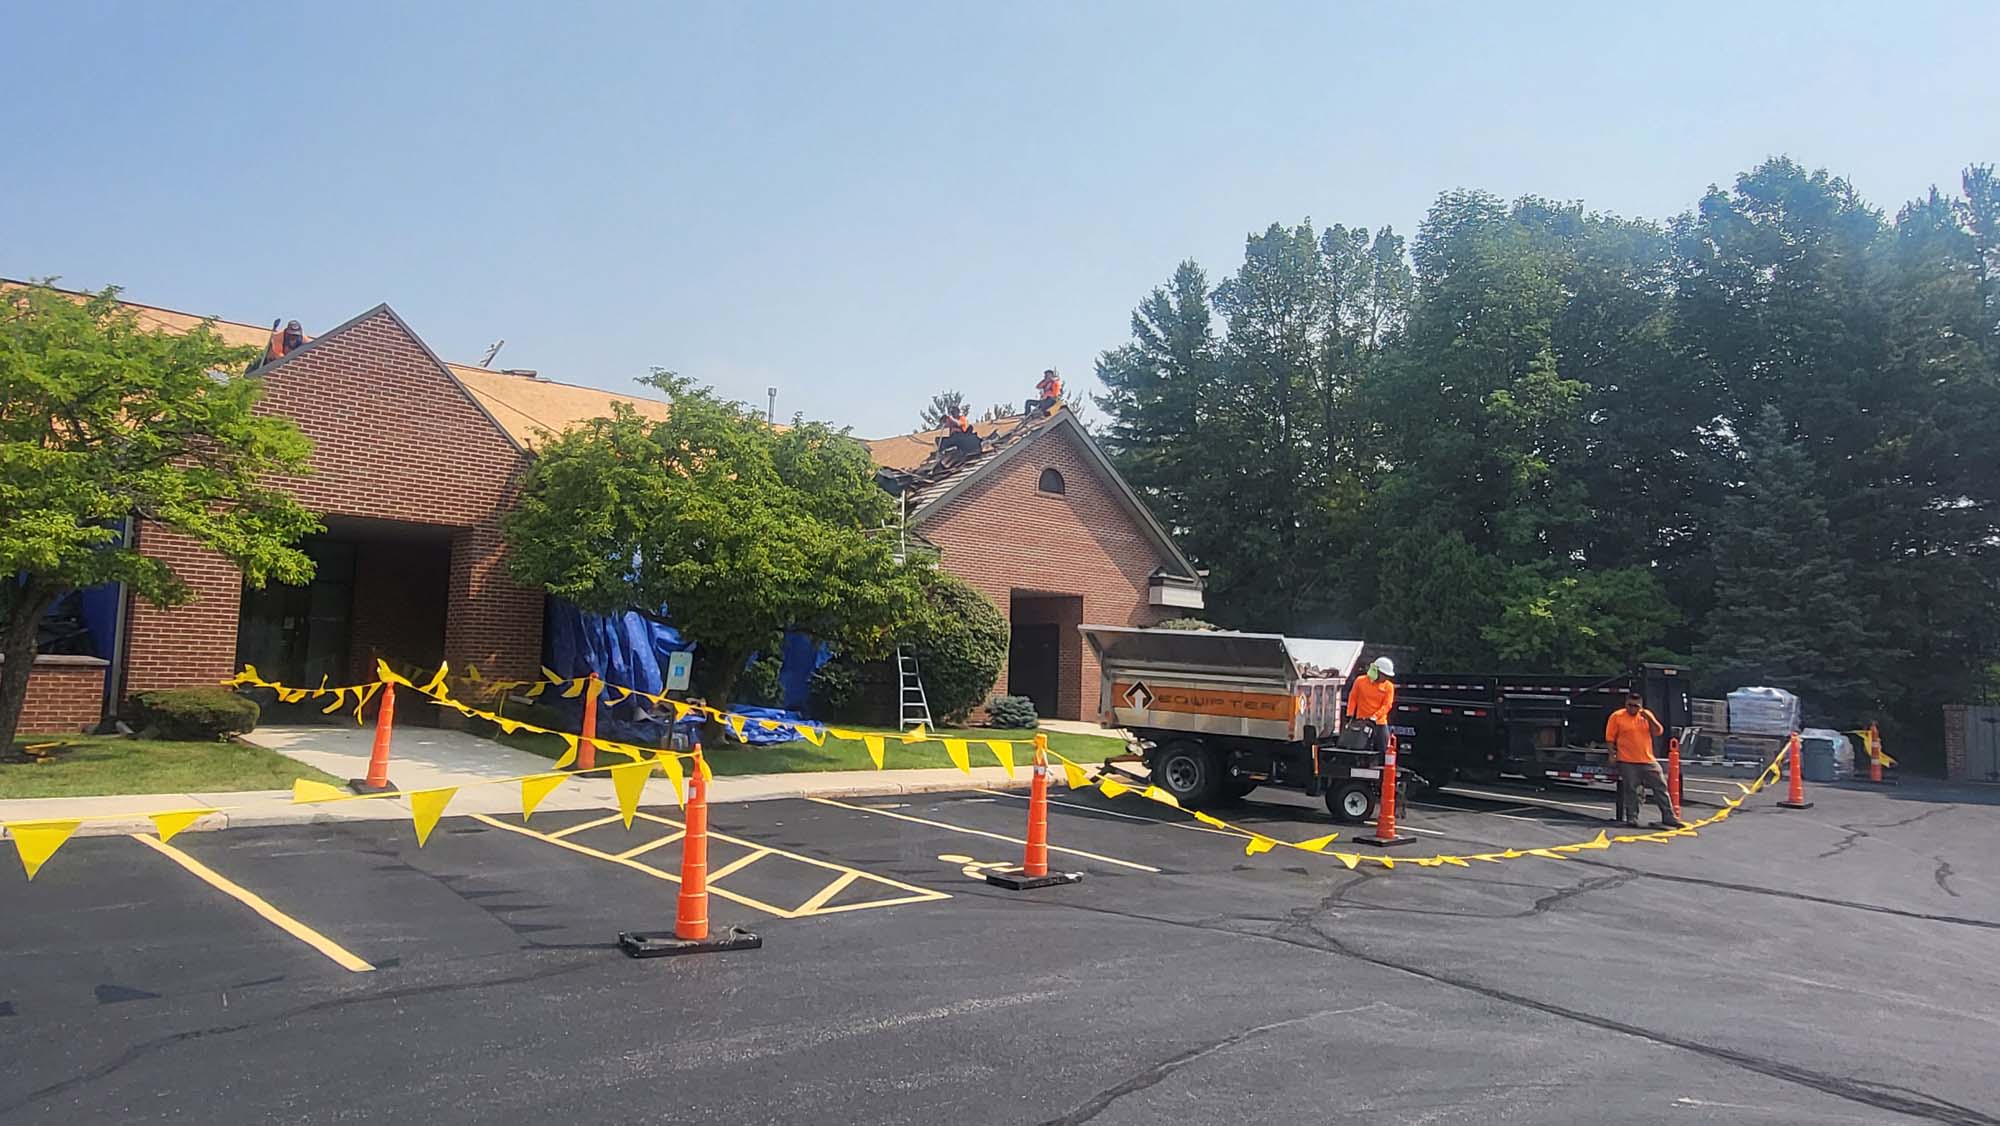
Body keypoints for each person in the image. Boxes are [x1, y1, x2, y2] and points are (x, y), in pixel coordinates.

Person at [1605, 690, 1684, 828]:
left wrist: (1650, 718)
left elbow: (1658, 731)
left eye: (1636, 706)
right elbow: (1610, 738)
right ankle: (1632, 818)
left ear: (1641, 706)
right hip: (1627, 760)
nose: (1633, 708)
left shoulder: (1645, 716)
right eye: (1630, 705)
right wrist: (1612, 754)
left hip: (1647, 759)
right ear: (1626, 704)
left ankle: (1669, 816)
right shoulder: (1617, 716)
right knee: (1631, 789)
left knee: (1660, 786)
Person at [1344, 657, 1397, 752]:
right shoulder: (1360, 681)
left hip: (1379, 723)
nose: (1385, 678)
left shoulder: (1389, 686)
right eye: (1384, 675)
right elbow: (1353, 698)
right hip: (1361, 722)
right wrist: (1350, 714)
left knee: (1383, 749)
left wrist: (1375, 716)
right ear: (1376, 671)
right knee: (1358, 747)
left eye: (1387, 676)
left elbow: (1387, 705)